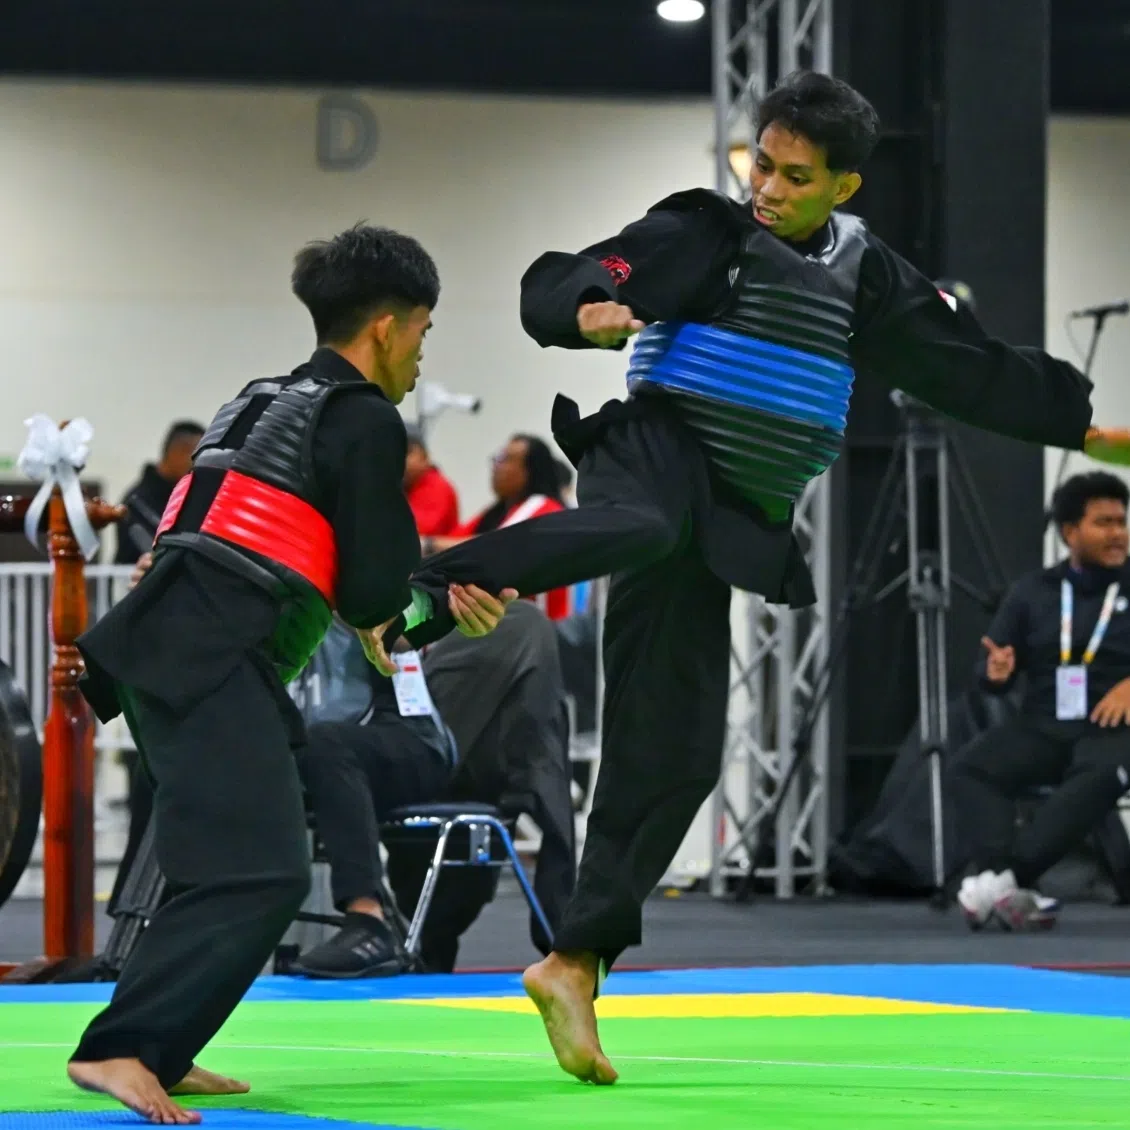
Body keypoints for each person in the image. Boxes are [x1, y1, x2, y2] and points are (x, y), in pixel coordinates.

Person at [383, 71, 1130, 1085]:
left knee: (678, 749)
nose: (767, 189)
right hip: (653, 454)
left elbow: (960, 362)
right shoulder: (703, 231)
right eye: (759, 165)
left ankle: (572, 958)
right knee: (641, 523)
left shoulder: (867, 274)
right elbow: (558, 276)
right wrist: (589, 310)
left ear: (843, 185)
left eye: (793, 175)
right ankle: (418, 592)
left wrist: (1078, 427)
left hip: (729, 517)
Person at [65, 223, 515, 1124]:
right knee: (266, 872)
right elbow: (375, 591)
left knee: (220, 867)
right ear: (386, 328)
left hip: (174, 648)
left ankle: (160, 1046)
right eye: (424, 334)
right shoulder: (362, 417)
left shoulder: (259, 397)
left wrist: (400, 615)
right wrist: (438, 605)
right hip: (209, 657)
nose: (423, 358)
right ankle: (118, 1049)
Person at [953, 472, 1130, 930]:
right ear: (1070, 532)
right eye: (1104, 523)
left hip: (1113, 729)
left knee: (1100, 772)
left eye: (1122, 522)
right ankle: (1004, 883)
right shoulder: (1032, 592)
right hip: (1046, 725)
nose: (1118, 533)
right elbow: (989, 671)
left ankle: (1004, 884)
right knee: (973, 767)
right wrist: (995, 675)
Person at [426, 433, 578, 621]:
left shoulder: (543, 507)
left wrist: (427, 544)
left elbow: (488, 548)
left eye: (504, 459)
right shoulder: (498, 511)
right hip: (502, 623)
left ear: (529, 470)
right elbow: (455, 542)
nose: (495, 467)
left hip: (535, 628)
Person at [114, 421, 205, 564]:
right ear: (178, 451)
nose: (199, 464)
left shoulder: (192, 494)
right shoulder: (137, 503)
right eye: (196, 456)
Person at [403, 425, 461, 537]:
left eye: (407, 452)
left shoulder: (436, 486)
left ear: (425, 456)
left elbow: (416, 531)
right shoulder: (405, 487)